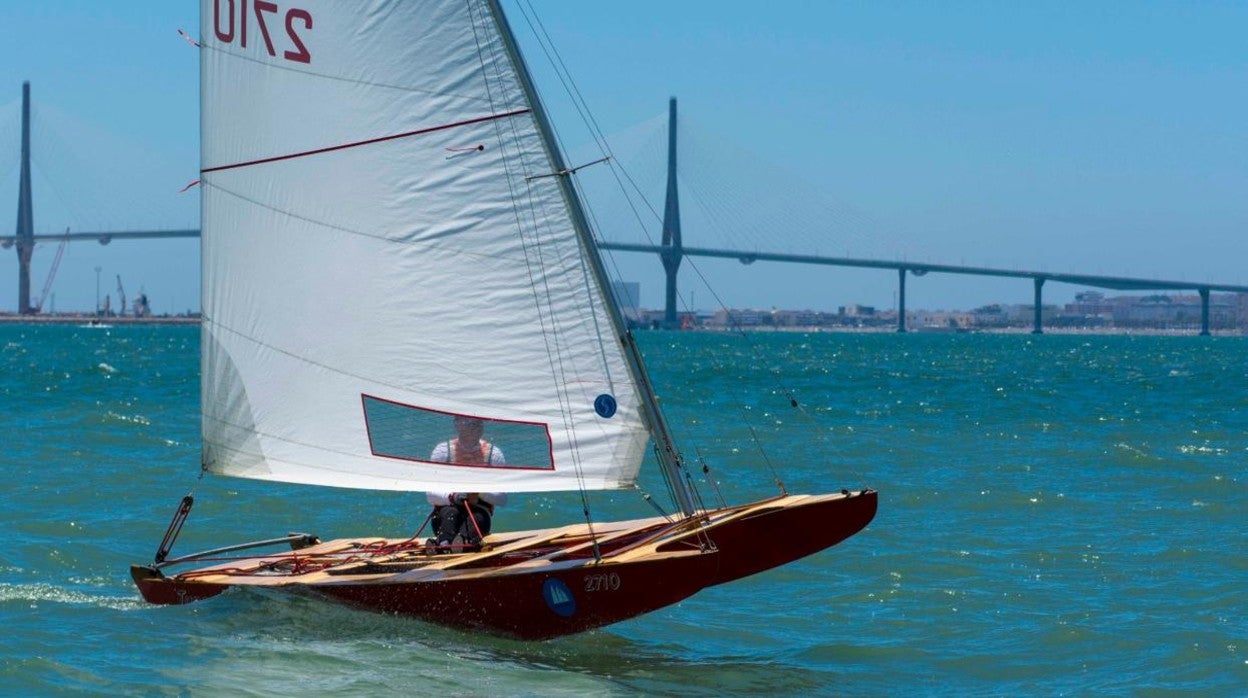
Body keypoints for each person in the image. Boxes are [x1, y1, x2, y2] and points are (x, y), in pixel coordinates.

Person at [425, 416, 508, 552]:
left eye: (477, 424)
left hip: (478, 512)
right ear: (457, 426)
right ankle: (445, 543)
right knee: (450, 513)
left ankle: (460, 544)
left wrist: (477, 492)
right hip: (446, 512)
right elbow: (430, 495)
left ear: (481, 428)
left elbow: (502, 499)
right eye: (468, 424)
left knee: (476, 517)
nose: (473, 428)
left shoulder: (494, 454)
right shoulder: (442, 451)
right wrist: (453, 497)